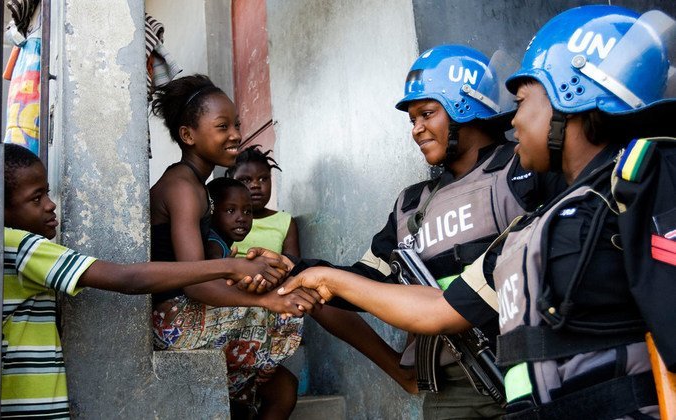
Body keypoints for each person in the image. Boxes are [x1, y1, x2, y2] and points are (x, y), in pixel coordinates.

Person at [279, 5, 676, 419]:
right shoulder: (523, 229)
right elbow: (436, 308)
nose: (514, 119)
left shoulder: (636, 180)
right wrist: (307, 271)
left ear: (569, 96)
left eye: (523, 101)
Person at [279, 45, 562, 419]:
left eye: (427, 114)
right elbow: (366, 279)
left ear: (467, 107)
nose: (416, 130)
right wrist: (294, 268)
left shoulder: (522, 168)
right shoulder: (412, 204)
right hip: (450, 389)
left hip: (528, 369)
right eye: (412, 119)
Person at [1, 143, 287, 418]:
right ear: (1, 209)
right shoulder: (18, 246)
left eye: (47, 194)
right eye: (36, 198)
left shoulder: (11, 249)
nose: (51, 205)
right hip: (29, 409)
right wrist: (228, 268)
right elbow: (128, 278)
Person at [148, 74, 320, 418]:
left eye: (236, 125)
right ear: (188, 135)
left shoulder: (197, 184)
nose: (236, 135)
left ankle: (241, 388)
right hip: (173, 320)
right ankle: (241, 387)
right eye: (223, 126)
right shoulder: (183, 187)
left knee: (284, 375)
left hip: (189, 309)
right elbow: (196, 283)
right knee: (291, 307)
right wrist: (265, 296)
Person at [226, 145, 300, 258]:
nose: (255, 185)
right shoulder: (222, 218)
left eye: (263, 179)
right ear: (231, 184)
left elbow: (292, 266)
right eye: (246, 180)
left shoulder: (285, 222)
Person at [205, 177, 253, 259]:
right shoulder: (213, 246)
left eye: (247, 211)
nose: (241, 218)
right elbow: (215, 269)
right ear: (211, 211)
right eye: (230, 210)